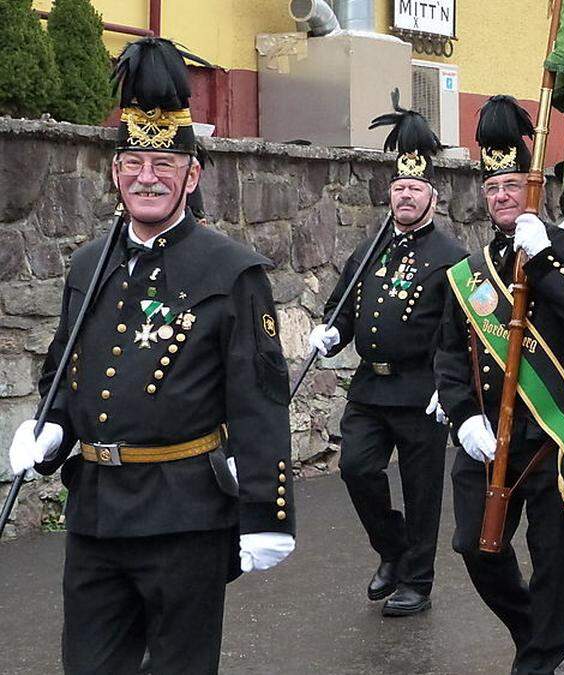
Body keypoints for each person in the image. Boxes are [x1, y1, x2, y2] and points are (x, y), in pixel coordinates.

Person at [6, 37, 295, 674]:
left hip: (184, 514)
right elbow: (64, 369)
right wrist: (49, 430)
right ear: (114, 173)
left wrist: (267, 513)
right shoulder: (89, 264)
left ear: (193, 175)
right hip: (97, 513)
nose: (147, 176)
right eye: (134, 160)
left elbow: (259, 399)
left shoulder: (231, 272)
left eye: (165, 164)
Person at [435, 95, 564, 674]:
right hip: (489, 435)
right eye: (492, 188)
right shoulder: (471, 270)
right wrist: (463, 416)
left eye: (512, 186)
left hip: (552, 435)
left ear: (534, 187)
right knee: (475, 547)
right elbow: (450, 352)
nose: (500, 197)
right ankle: (531, 632)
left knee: (553, 562)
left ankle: (539, 661)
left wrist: (543, 261)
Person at [306, 107, 467, 616]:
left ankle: (418, 580)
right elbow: (345, 305)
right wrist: (331, 333)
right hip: (370, 390)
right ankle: (393, 550)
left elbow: (461, 332)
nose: (404, 196)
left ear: (432, 198)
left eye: (414, 190)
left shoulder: (450, 255)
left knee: (422, 492)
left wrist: (452, 383)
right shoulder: (371, 245)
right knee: (356, 469)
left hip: (421, 390)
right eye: (399, 188)